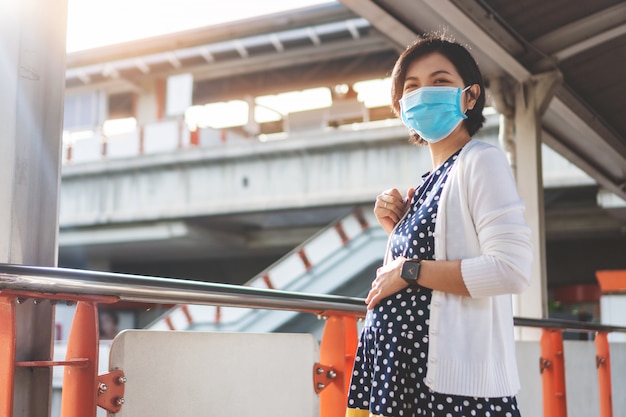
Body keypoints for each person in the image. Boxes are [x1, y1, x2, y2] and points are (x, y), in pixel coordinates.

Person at [346, 33, 533, 417]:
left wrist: (409, 269)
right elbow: (430, 272)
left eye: (441, 81)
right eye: (411, 87)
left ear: (470, 96)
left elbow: (510, 270)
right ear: (400, 107)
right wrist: (395, 231)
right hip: (398, 378)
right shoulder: (429, 181)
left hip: (447, 390)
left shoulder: (480, 160)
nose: (424, 93)